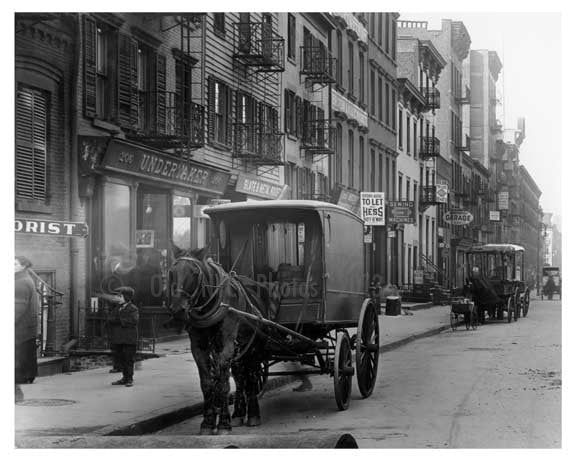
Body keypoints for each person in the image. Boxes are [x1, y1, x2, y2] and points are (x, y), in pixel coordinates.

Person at [15, 256, 39, 401]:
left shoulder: (20, 283)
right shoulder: (27, 279)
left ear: (23, 266)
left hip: (19, 329)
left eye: (15, 263)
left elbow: (17, 308)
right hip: (27, 328)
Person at [108, 287, 139, 387]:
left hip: (129, 339)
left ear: (126, 297)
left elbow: (133, 321)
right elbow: (110, 318)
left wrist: (119, 320)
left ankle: (129, 379)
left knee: (128, 359)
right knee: (121, 359)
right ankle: (124, 378)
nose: (118, 298)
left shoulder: (133, 308)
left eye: (120, 296)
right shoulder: (117, 308)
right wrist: (117, 320)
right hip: (119, 339)